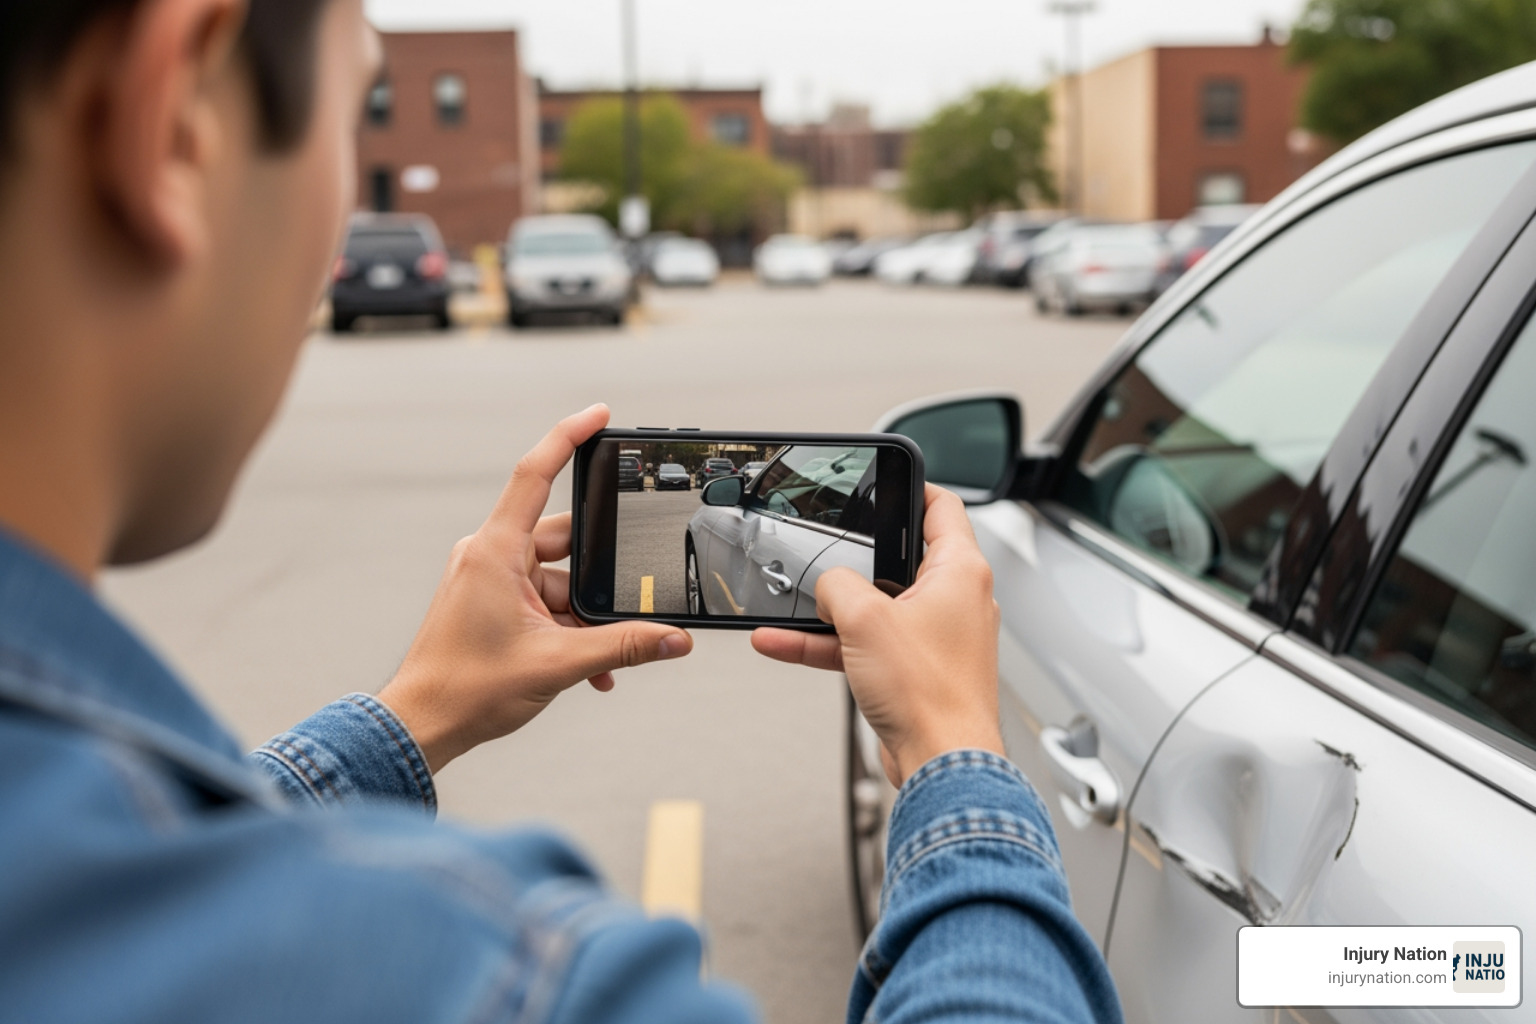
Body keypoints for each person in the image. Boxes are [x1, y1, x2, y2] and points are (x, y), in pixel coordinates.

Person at [0, 1, 1124, 1021]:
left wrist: (410, 716)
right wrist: (958, 760)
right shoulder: (492, 978)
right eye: (360, 107)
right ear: (177, 118)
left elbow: (150, 878)